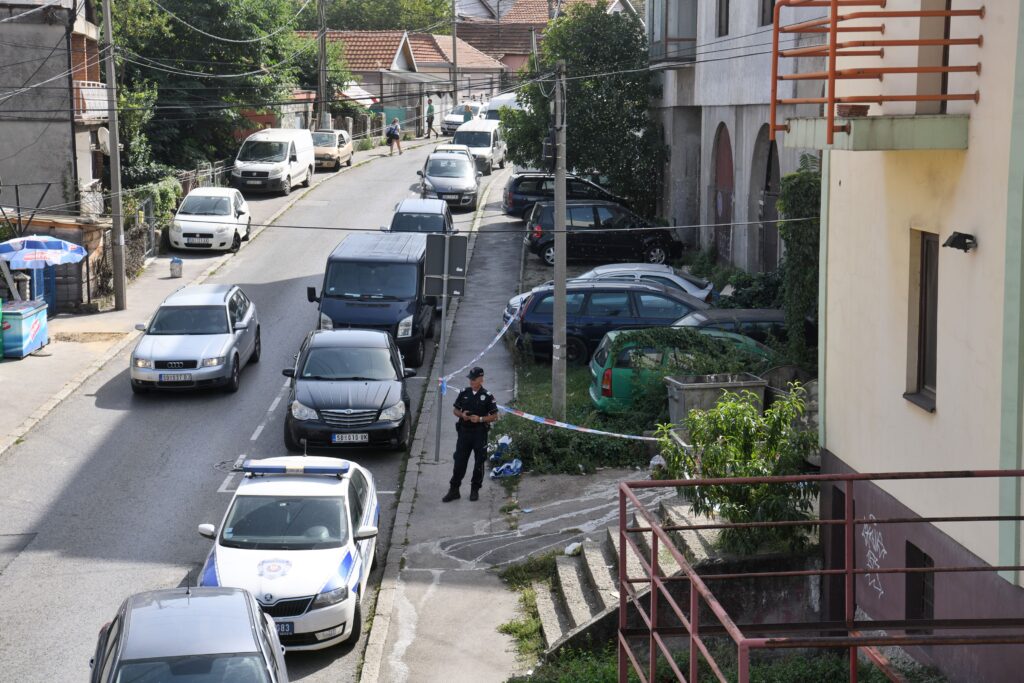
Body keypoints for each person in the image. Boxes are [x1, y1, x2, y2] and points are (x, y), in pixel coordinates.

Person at [443, 367, 499, 502]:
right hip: (464, 432)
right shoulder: (464, 393)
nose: (471, 381)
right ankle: (454, 489)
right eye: (470, 379)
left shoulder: (487, 396)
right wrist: (462, 415)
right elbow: (455, 410)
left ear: (481, 379)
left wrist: (479, 419)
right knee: (459, 461)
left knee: (479, 462)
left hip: (479, 433)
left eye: (474, 379)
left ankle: (475, 489)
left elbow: (495, 416)